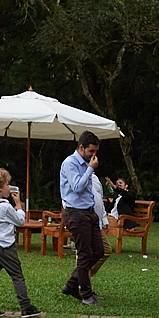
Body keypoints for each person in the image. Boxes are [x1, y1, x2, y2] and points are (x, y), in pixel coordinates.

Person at [0, 168, 42, 318]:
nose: (9, 187)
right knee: (17, 275)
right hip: (5, 246)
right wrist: (18, 205)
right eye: (7, 184)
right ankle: (26, 307)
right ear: (0, 187)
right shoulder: (6, 206)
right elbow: (20, 221)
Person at [59, 131, 103, 306]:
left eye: (95, 152)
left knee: (98, 251)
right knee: (84, 254)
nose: (94, 155)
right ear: (81, 147)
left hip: (89, 212)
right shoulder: (70, 163)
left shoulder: (85, 163)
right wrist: (91, 169)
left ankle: (71, 285)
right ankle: (86, 295)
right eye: (91, 151)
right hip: (76, 213)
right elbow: (77, 187)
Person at [88, 156, 112, 280]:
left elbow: (100, 199)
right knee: (84, 253)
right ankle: (82, 283)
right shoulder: (75, 176)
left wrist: (104, 219)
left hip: (97, 220)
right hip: (84, 220)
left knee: (105, 250)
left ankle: (79, 277)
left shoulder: (95, 178)